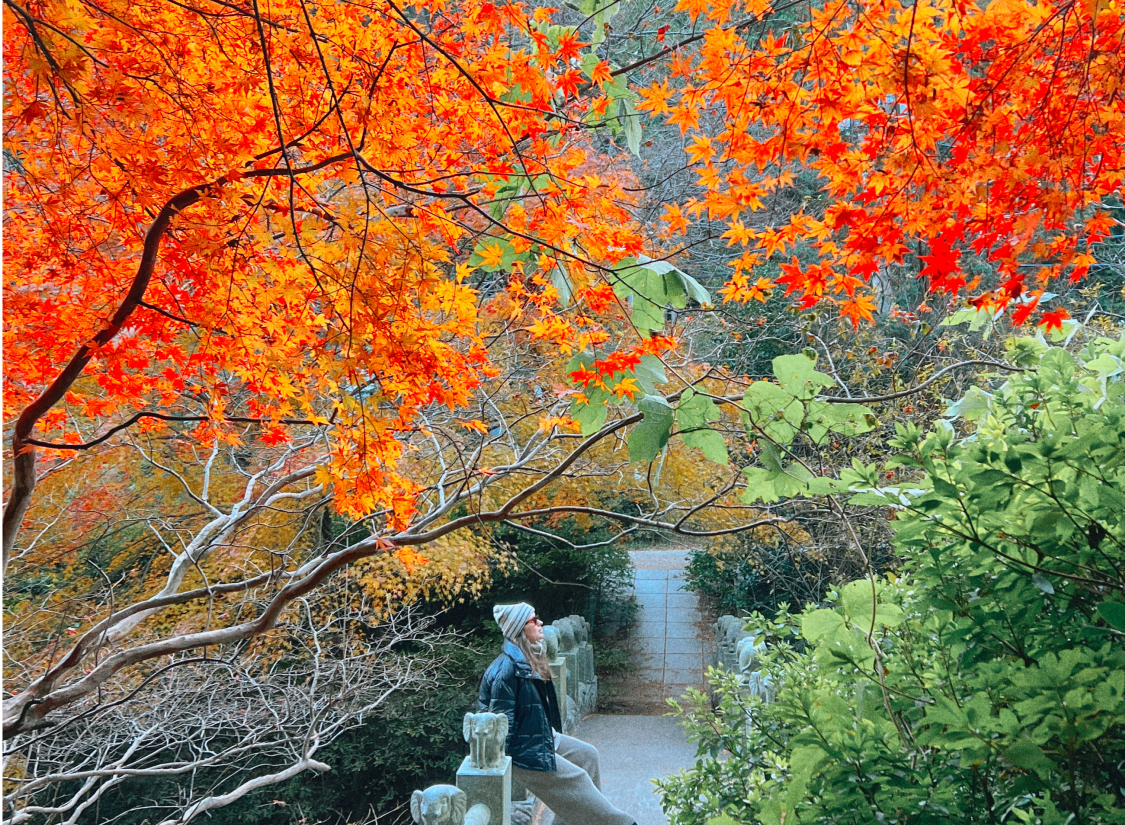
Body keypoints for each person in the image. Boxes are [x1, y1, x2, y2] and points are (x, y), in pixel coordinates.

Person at [478, 603, 636, 825]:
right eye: (533, 620)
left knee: (587, 756)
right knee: (577, 779)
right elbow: (500, 729)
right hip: (522, 751)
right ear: (519, 629)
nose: (540, 623)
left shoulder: (531, 656)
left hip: (540, 736)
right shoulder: (506, 670)